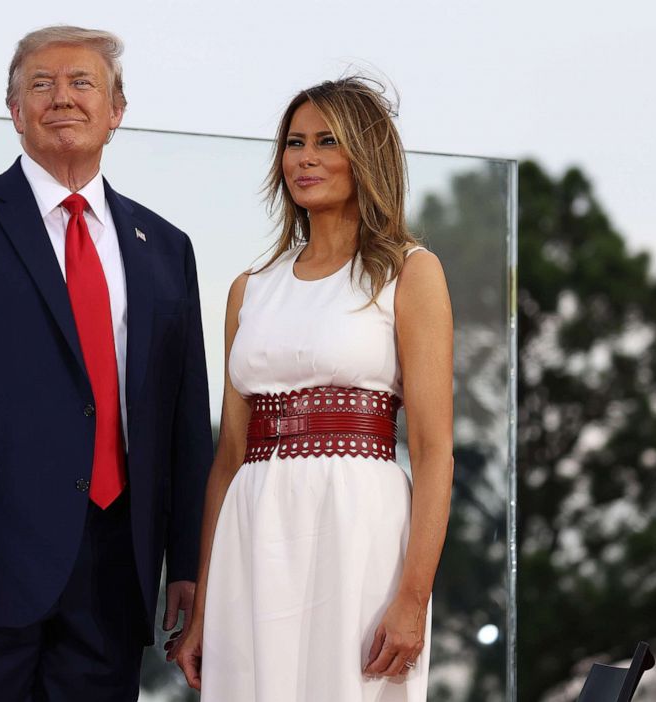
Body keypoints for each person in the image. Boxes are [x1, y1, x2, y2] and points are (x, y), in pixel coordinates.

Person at [0, 25, 213, 701]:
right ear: (14, 109)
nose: (63, 98)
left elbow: (183, 420)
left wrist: (190, 563)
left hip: (116, 572)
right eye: (41, 84)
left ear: (117, 110)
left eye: (83, 83)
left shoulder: (165, 247)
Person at [170, 77, 454, 701]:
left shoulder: (410, 272)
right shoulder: (251, 288)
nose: (305, 157)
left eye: (328, 141)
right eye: (294, 143)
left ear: (366, 154)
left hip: (359, 531)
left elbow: (434, 452)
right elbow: (228, 459)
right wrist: (204, 601)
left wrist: (412, 598)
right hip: (253, 529)